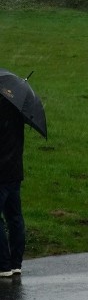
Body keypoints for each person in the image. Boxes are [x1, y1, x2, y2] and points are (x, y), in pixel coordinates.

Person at [0, 97, 26, 277]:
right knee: (15, 216)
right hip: (15, 170)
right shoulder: (18, 108)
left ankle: (3, 264)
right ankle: (16, 263)